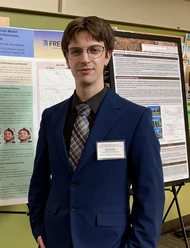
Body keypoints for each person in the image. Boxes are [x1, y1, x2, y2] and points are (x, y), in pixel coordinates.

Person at [28, 16, 164, 248]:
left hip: (109, 241)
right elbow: (39, 181)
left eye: (94, 50)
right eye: (76, 51)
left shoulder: (135, 119)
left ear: (107, 55)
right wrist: (38, 226)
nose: (85, 59)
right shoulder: (51, 117)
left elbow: (150, 195)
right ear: (67, 59)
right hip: (55, 237)